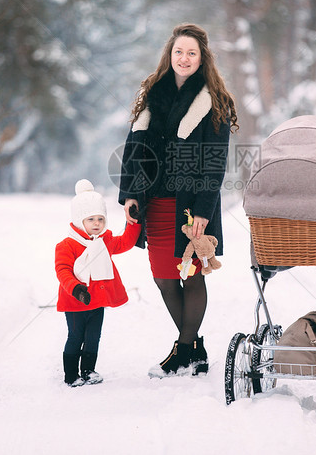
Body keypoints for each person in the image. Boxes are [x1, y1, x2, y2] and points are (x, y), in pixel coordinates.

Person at [118, 23, 237, 378]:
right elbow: (133, 149)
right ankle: (194, 347)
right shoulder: (152, 94)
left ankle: (183, 350)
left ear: (202, 60)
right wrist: (129, 194)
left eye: (191, 53)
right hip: (155, 202)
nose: (183, 58)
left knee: (191, 275)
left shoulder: (213, 102)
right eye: (178, 52)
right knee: (163, 278)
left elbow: (214, 165)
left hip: (189, 206)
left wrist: (203, 211)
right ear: (169, 56)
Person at [55, 179, 140, 387]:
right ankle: (71, 374)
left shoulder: (106, 241)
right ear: (78, 220)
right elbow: (62, 271)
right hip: (76, 302)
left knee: (93, 338)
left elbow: (126, 242)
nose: (96, 224)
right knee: (76, 337)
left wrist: (133, 222)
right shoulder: (67, 245)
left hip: (97, 302)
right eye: (90, 219)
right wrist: (76, 289)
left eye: (100, 219)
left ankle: (88, 370)